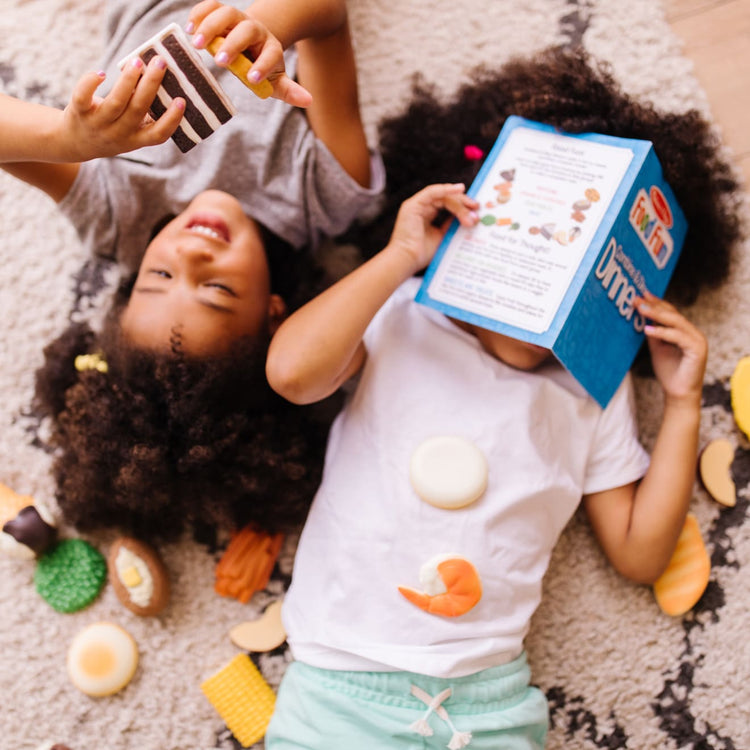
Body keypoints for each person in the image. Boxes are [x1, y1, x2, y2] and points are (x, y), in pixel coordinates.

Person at [262, 48, 742, 749]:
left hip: (488, 707)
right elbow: (293, 375)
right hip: (340, 687)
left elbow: (641, 554)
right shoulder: (400, 314)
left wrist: (682, 403)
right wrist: (398, 257)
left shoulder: (589, 391)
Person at [1, 0, 384, 540]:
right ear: (274, 314)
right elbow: (329, 14)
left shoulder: (117, 215)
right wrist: (262, 29)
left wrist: (65, 140)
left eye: (158, 278)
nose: (190, 257)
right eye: (219, 289)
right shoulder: (325, 195)